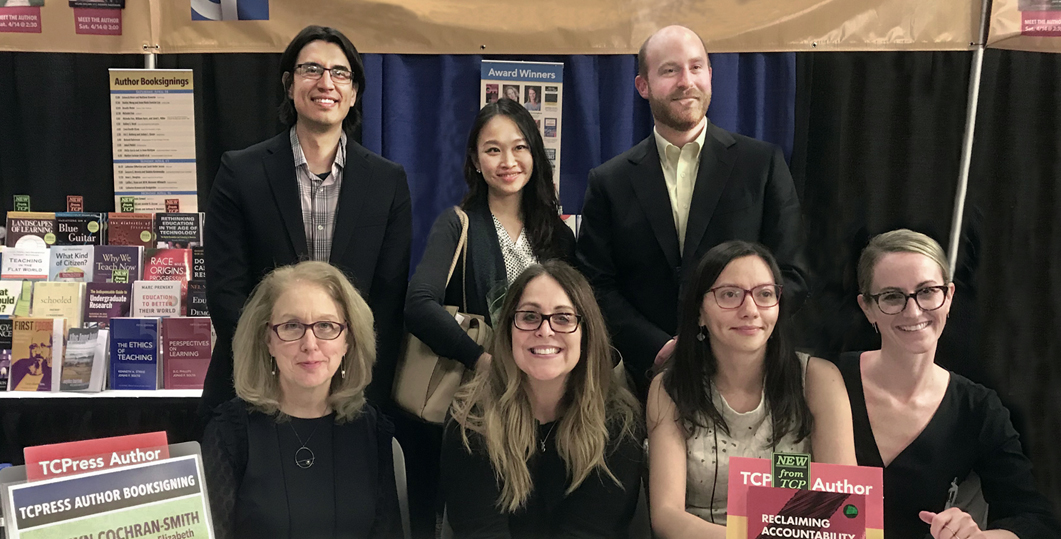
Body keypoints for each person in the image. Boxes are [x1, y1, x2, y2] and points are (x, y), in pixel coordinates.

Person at [576, 25, 808, 397]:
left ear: (710, 76)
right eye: (670, 71)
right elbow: (595, 285)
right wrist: (658, 347)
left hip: (747, 376)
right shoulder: (609, 181)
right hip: (642, 381)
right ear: (643, 86)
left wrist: (732, 337)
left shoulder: (761, 164)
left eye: (696, 67)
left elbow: (792, 274)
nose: (687, 81)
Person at [202, 25, 411, 416]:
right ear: (289, 84)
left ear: (353, 93)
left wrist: (346, 379)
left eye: (340, 73)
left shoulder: (387, 183)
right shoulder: (240, 172)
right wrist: (277, 369)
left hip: (351, 395)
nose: (325, 82)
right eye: (311, 69)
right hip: (253, 389)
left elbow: (386, 300)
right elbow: (226, 292)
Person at [839, 229, 1060, 539]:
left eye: (927, 291)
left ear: (949, 296)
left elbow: (1036, 520)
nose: (913, 311)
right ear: (867, 307)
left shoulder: (978, 409)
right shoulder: (828, 380)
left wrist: (980, 537)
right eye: (892, 296)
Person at [646, 241, 854, 537]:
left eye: (764, 294)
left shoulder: (818, 380)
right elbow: (666, 516)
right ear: (699, 313)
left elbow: (845, 502)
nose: (750, 310)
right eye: (729, 295)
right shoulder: (670, 387)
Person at [441, 261, 643, 538]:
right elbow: (480, 530)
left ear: (586, 333)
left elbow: (591, 532)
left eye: (563, 318)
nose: (545, 331)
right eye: (529, 316)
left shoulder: (620, 422)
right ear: (509, 329)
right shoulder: (471, 419)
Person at [202, 261, 401, 539]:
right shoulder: (229, 433)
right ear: (267, 340)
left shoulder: (373, 431)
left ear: (348, 341)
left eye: (326, 326)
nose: (310, 343)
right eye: (292, 326)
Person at [407, 98, 575, 372]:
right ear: (475, 160)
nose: (508, 162)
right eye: (493, 150)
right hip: (479, 389)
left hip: (547, 380)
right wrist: (481, 361)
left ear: (534, 153)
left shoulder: (559, 235)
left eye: (519, 147)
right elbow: (418, 306)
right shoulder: (457, 225)